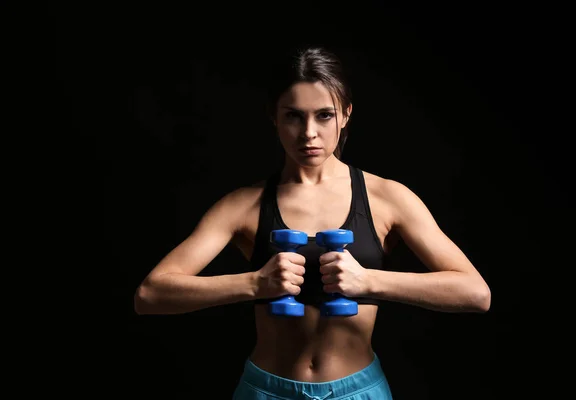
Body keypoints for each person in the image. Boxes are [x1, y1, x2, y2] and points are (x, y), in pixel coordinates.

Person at [134, 46, 491, 399]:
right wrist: (255, 283)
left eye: (324, 115)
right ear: (274, 117)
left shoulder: (387, 198)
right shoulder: (243, 205)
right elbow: (151, 295)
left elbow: (475, 293)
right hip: (267, 391)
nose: (309, 133)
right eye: (293, 116)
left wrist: (368, 280)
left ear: (346, 114)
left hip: (359, 390)